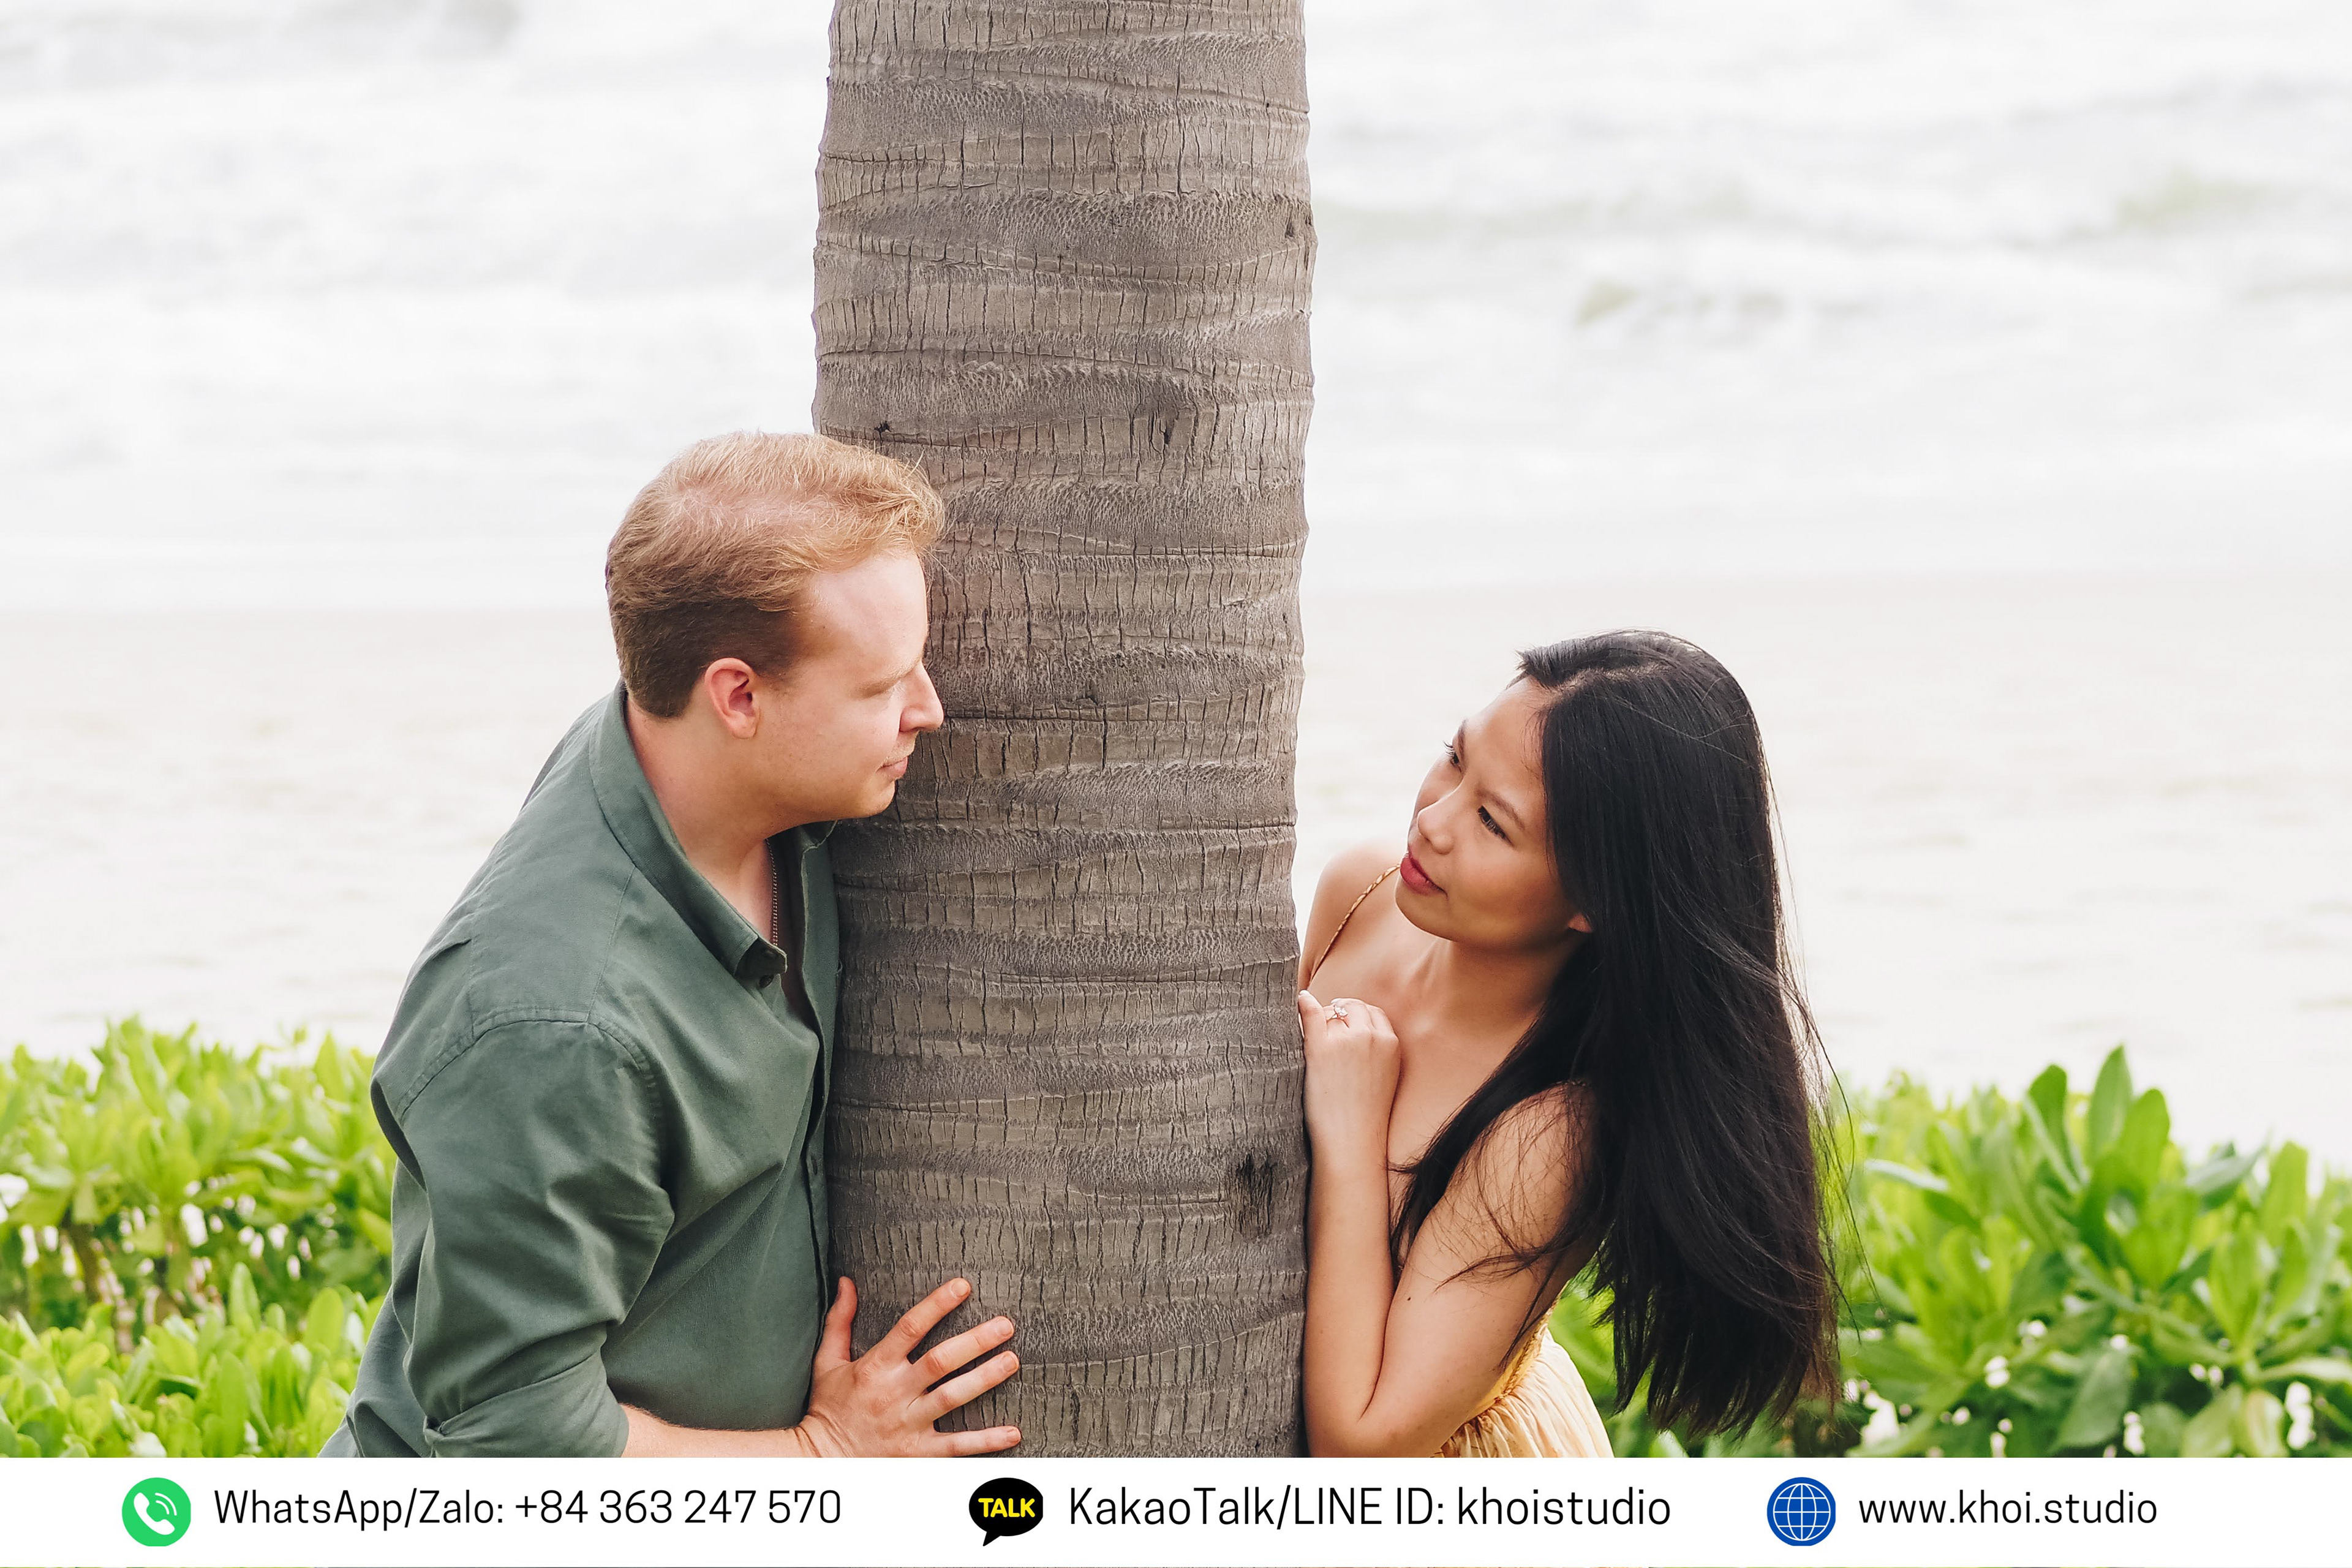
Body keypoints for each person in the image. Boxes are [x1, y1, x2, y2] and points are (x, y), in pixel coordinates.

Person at [325, 432, 1023, 1458]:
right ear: (736, 696)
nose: (930, 709)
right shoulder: (554, 1025)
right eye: (882, 687)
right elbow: (514, 1449)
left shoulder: (710, 768)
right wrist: (823, 1457)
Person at [1295, 630, 1841, 1457]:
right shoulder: (1361, 891)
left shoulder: (1553, 1127)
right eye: (1453, 757)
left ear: (1595, 897)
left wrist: (1349, 1133)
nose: (1432, 821)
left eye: (1493, 822)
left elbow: (1365, 1444)